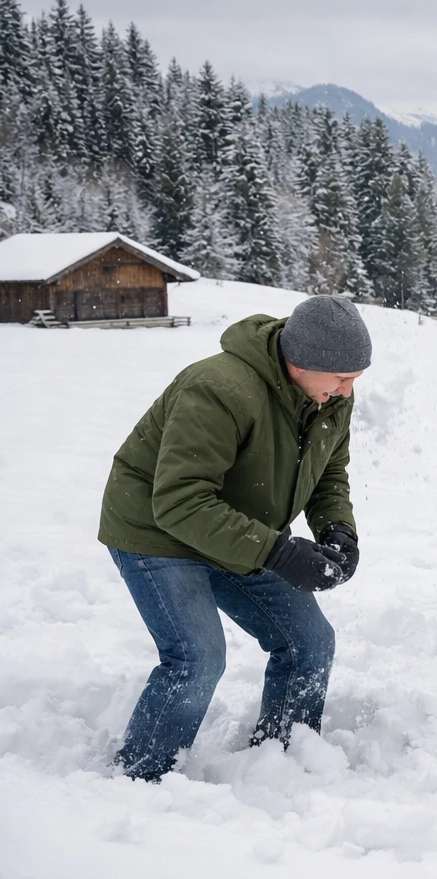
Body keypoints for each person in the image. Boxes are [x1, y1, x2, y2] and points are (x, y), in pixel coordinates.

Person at [99, 295, 372, 781]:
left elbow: (329, 472)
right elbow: (180, 501)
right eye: (342, 378)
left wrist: (338, 529)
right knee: (197, 658)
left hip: (235, 530)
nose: (348, 392)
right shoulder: (220, 388)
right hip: (155, 532)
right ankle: (140, 778)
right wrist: (278, 552)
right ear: (301, 362)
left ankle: (280, 757)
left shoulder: (326, 399)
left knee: (309, 642)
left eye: (355, 379)